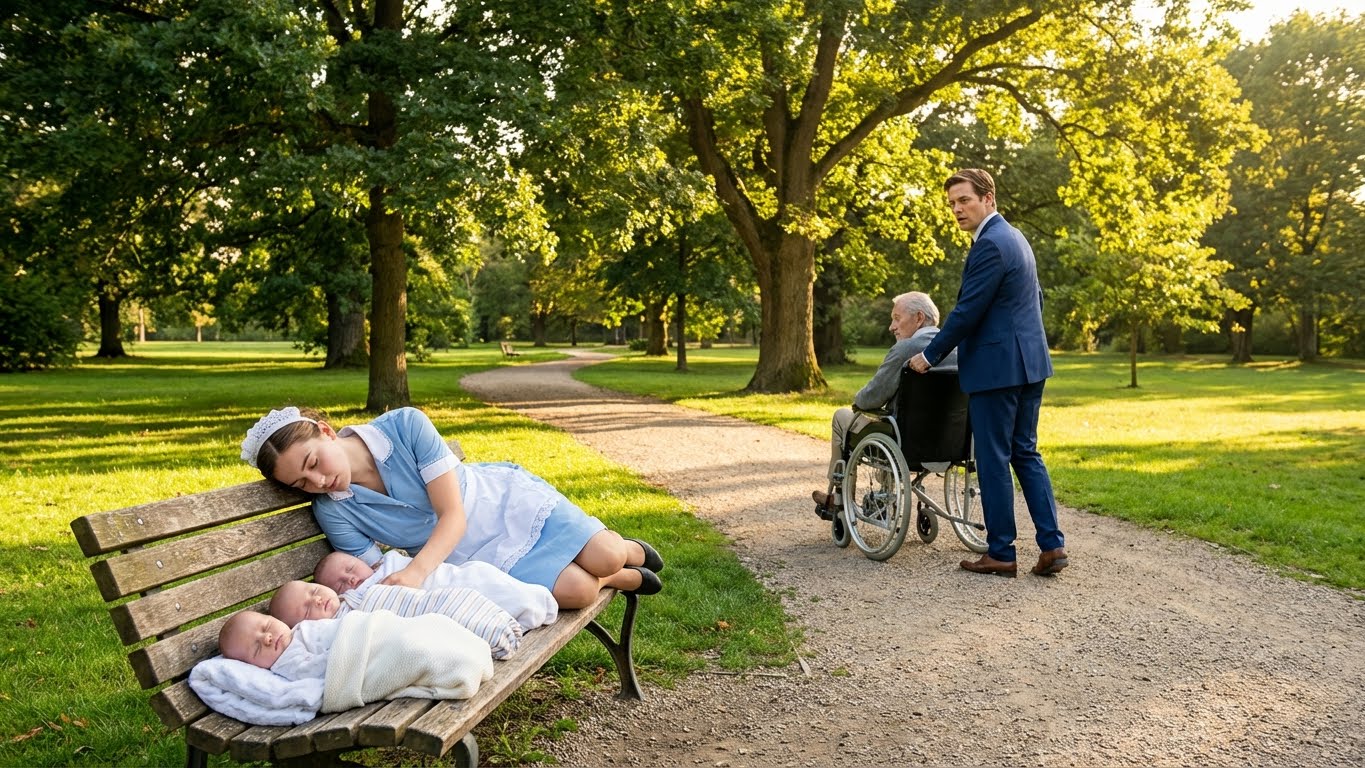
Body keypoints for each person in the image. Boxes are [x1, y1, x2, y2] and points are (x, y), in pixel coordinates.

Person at [240, 406, 665, 608]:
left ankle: (626, 552)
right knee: (580, 591)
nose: (316, 482)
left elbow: (453, 515)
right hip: (470, 557)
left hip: (499, 506)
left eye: (312, 463)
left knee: (604, 553)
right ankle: (621, 579)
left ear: (326, 432)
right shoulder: (333, 510)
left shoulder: (405, 426)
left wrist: (416, 571)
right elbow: (374, 573)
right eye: (300, 483)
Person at [908, 168, 1068, 578]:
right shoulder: (1016, 238)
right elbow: (1034, 299)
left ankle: (1001, 552)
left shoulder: (990, 245)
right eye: (952, 204)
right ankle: (1052, 546)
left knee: (995, 459)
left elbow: (967, 311)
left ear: (988, 200)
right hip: (1030, 363)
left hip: (999, 370)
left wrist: (930, 355)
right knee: (1025, 453)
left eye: (965, 200)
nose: (958, 210)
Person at [811, 291, 956, 517]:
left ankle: (840, 499)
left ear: (919, 318)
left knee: (842, 417)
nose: (891, 326)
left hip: (904, 441)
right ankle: (882, 496)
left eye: (897, 318)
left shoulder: (906, 349)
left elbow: (869, 399)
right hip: (951, 443)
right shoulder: (957, 349)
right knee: (892, 426)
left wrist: (858, 399)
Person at [268, 579, 524, 659]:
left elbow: (412, 599)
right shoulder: (333, 629)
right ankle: (488, 634)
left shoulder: (355, 594)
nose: (316, 600)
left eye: (313, 591)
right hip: (409, 623)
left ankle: (492, 623)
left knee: (449, 601)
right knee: (439, 625)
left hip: (424, 603)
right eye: (305, 610)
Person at [314, 549, 558, 630]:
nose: (351, 578)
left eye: (350, 567)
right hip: (438, 602)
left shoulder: (388, 564)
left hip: (449, 578)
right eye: (340, 583)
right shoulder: (359, 598)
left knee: (479, 576)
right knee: (468, 604)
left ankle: (530, 602)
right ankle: (523, 612)